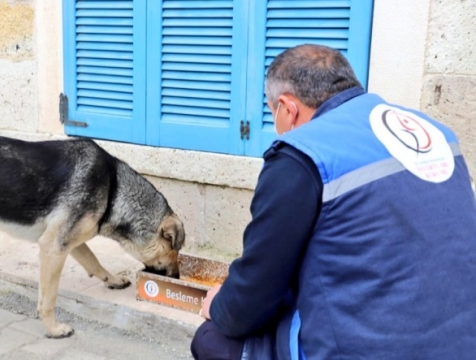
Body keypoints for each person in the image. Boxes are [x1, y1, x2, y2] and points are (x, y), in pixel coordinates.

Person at [190, 44, 476, 360]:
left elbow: (253, 296)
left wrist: (220, 305)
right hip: (462, 342)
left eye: (274, 115)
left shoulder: (301, 154)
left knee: (212, 338)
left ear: (287, 108)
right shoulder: (437, 133)